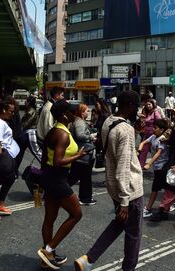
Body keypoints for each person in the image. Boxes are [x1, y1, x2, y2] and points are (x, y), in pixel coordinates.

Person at [74, 91, 144, 271]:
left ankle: (89, 259)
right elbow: (123, 166)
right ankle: (128, 268)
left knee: (120, 222)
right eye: (136, 105)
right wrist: (125, 201)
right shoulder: (125, 129)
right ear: (129, 105)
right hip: (129, 189)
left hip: (113, 185)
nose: (138, 109)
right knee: (133, 234)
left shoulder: (109, 122)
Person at [37, 100, 86, 270]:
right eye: (72, 112)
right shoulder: (62, 134)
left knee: (50, 218)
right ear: (65, 115)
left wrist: (44, 180)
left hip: (50, 177)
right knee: (76, 214)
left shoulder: (54, 131)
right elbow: (58, 161)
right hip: (58, 178)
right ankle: (48, 249)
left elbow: (44, 159)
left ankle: (47, 257)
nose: (74, 114)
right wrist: (78, 156)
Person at [139, 118, 171, 218]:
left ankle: (148, 208)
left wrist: (149, 163)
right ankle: (173, 202)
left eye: (155, 128)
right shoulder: (153, 136)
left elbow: (158, 153)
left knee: (155, 188)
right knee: (166, 187)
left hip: (162, 167)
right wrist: (139, 150)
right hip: (157, 167)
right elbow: (143, 142)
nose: (153, 129)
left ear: (161, 130)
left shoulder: (162, 139)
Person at [68, 104, 97, 206]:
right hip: (83, 152)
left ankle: (85, 198)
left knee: (82, 176)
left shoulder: (78, 121)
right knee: (78, 176)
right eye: (86, 111)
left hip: (82, 152)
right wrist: (91, 137)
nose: (88, 112)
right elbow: (80, 135)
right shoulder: (79, 122)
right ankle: (55, 193)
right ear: (81, 112)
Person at [137, 99, 161, 167]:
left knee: (155, 151)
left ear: (153, 105)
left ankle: (158, 166)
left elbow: (160, 123)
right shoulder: (148, 112)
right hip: (146, 134)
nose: (148, 106)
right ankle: (141, 165)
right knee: (144, 150)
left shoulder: (155, 112)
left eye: (149, 104)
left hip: (154, 135)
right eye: (147, 104)